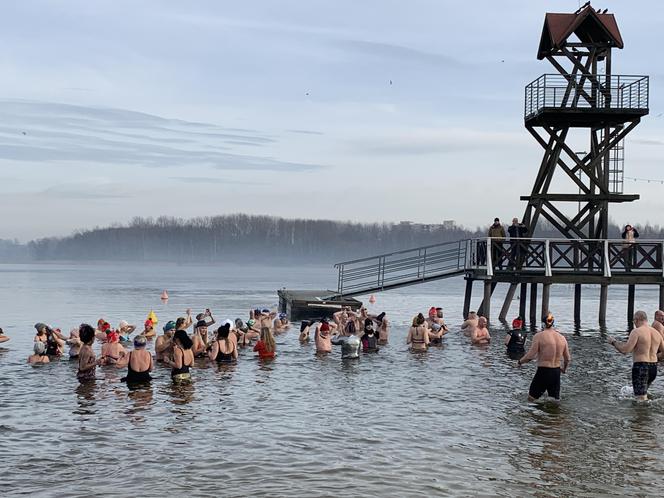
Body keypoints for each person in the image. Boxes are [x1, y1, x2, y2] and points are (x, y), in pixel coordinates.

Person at [608, 310, 664, 401]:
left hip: (641, 367)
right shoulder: (656, 333)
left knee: (641, 399)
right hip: (653, 368)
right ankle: (649, 414)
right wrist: (656, 357)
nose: (634, 323)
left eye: (634, 321)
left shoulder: (636, 332)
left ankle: (641, 414)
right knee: (643, 394)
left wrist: (613, 342)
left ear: (637, 320)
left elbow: (625, 350)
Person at [517, 313, 571, 402]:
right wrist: (564, 369)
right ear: (553, 324)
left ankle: (536, 415)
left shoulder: (539, 336)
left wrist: (519, 362)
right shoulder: (562, 338)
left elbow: (530, 356)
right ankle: (553, 416)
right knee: (554, 401)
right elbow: (567, 359)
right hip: (556, 372)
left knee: (531, 399)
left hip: (543, 371)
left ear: (542, 324)